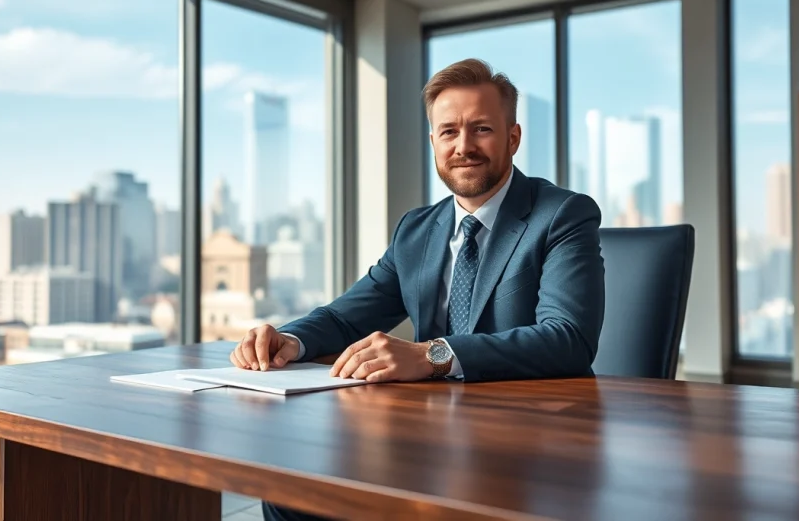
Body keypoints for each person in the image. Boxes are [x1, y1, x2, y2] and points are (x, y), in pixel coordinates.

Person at [231, 58, 606, 521]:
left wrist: (432, 355)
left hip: (528, 443)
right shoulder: (417, 230)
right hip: (429, 434)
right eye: (449, 132)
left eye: (482, 129)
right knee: (291, 494)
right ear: (434, 142)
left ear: (513, 137)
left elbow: (568, 338)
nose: (463, 146)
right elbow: (347, 316)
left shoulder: (562, 214)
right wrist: (291, 339)